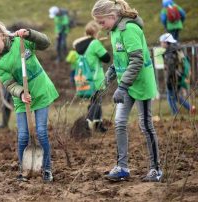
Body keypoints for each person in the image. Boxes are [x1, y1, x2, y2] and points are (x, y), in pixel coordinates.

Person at [92, 0, 162, 182]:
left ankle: (156, 169)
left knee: (145, 125)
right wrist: (110, 75)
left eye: (102, 22)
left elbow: (136, 60)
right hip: (127, 85)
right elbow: (121, 59)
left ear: (112, 16)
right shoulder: (115, 31)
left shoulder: (129, 30)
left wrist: (121, 87)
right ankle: (122, 167)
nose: (101, 26)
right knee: (120, 123)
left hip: (141, 84)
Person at [0, 20, 59, 182]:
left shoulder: (21, 42)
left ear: (2, 36)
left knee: (42, 132)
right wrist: (21, 92)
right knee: (23, 136)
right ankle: (24, 170)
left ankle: (46, 170)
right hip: (21, 99)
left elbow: (45, 43)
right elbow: (9, 83)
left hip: (41, 91)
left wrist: (30, 33)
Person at [73, 20, 110, 133]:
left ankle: (98, 125)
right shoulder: (95, 44)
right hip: (95, 78)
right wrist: (99, 45)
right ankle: (88, 123)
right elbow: (106, 58)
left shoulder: (80, 46)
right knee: (96, 102)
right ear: (96, 32)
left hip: (86, 79)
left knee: (94, 101)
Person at [159, 33, 195, 115]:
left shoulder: (169, 52)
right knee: (176, 96)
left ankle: (175, 114)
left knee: (170, 97)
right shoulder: (176, 48)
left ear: (166, 42)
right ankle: (190, 108)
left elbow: (171, 69)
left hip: (174, 78)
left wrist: (168, 81)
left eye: (161, 42)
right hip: (179, 76)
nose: (161, 43)